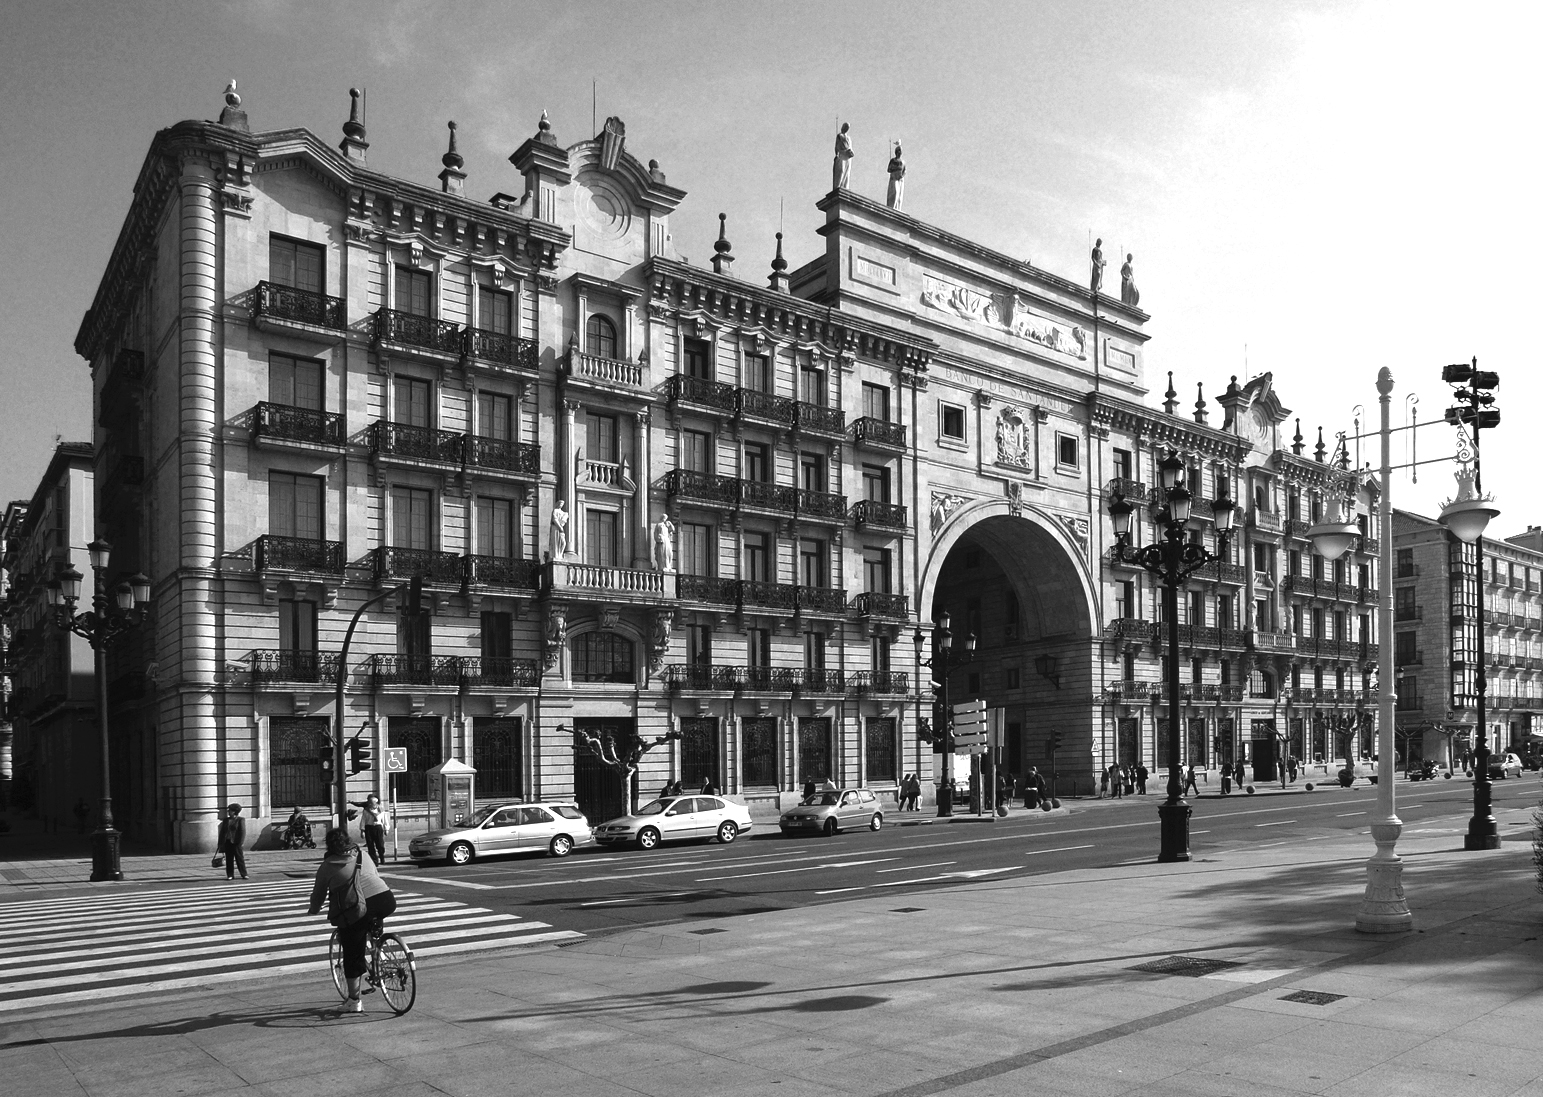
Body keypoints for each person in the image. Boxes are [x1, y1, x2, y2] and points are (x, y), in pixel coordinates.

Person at [308, 827, 397, 1013]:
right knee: (372, 919)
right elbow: (374, 876)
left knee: (351, 951)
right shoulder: (363, 854)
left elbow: (318, 894)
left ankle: (354, 1001)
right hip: (386, 899)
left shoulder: (327, 866)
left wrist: (313, 910)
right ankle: (378, 953)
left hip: (358, 908)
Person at [217, 803, 248, 880]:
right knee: (229, 859)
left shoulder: (240, 820)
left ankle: (244, 874)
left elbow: (242, 831)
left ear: (234, 811)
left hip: (236, 842)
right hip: (227, 841)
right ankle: (230, 875)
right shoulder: (226, 820)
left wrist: (241, 842)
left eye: (230, 810)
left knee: (239, 858)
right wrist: (220, 843)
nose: (228, 812)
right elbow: (222, 832)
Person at [357, 794, 388, 866]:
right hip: (369, 828)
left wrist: (386, 829)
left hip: (378, 827)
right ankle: (374, 861)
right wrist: (362, 831)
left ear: (375, 803)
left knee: (380, 844)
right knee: (370, 845)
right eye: (369, 802)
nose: (369, 803)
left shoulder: (381, 810)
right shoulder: (366, 811)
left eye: (371, 802)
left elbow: (385, 820)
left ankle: (381, 856)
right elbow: (363, 820)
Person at [832, 122, 853, 190]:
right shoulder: (840, 136)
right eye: (845, 127)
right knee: (841, 170)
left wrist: (850, 152)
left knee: (847, 173)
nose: (846, 129)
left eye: (847, 128)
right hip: (841, 155)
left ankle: (845, 187)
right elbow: (837, 147)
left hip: (848, 157)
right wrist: (840, 152)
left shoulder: (849, 138)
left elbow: (850, 147)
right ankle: (838, 185)